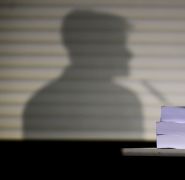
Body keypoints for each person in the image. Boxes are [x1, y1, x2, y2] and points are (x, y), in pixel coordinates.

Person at [23, 10, 143, 139]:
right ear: (94, 48)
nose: (129, 54)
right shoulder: (46, 105)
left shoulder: (42, 102)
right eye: (119, 44)